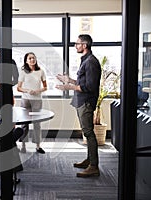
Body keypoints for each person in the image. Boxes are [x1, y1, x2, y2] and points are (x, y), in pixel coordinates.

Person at [55, 34, 101, 177]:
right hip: (82, 101)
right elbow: (83, 83)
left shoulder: (91, 62)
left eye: (77, 43)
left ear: (85, 45)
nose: (76, 46)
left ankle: (94, 166)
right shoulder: (86, 61)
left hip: (86, 102)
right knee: (86, 132)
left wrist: (69, 87)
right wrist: (69, 80)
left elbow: (90, 86)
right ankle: (90, 160)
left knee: (88, 133)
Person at [17, 52, 47, 154]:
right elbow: (18, 88)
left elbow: (45, 87)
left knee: (37, 123)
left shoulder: (41, 71)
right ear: (26, 61)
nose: (32, 60)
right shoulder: (23, 72)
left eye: (33, 58)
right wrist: (27, 91)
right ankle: (23, 145)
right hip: (26, 100)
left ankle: (38, 146)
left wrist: (38, 91)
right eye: (29, 58)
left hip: (37, 100)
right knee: (24, 123)